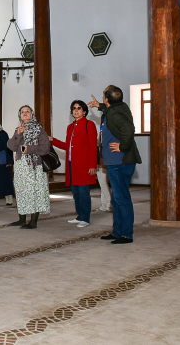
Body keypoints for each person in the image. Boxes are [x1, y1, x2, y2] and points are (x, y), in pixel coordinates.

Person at [89, 85, 142, 244]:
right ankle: (118, 231)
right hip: (117, 161)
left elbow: (128, 128)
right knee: (117, 199)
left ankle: (126, 234)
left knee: (121, 198)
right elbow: (111, 109)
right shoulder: (118, 107)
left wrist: (122, 146)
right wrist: (99, 106)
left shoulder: (114, 114)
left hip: (119, 161)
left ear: (107, 98)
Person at [50, 100, 98, 228]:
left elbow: (93, 146)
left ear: (84, 111)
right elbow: (68, 146)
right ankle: (80, 216)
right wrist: (53, 140)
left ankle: (85, 219)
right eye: (74, 108)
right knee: (75, 192)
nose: (76, 110)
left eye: (79, 108)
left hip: (84, 165)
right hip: (72, 164)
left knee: (83, 192)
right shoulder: (70, 127)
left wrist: (93, 165)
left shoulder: (89, 124)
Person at [7, 105, 51, 229]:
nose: (25, 113)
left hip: (35, 166)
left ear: (32, 114)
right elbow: (11, 147)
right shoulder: (18, 129)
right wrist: (18, 134)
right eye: (22, 112)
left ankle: (33, 222)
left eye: (28, 111)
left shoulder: (39, 129)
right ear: (20, 115)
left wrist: (29, 149)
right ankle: (22, 219)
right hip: (21, 166)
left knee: (34, 192)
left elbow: (45, 148)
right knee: (21, 191)